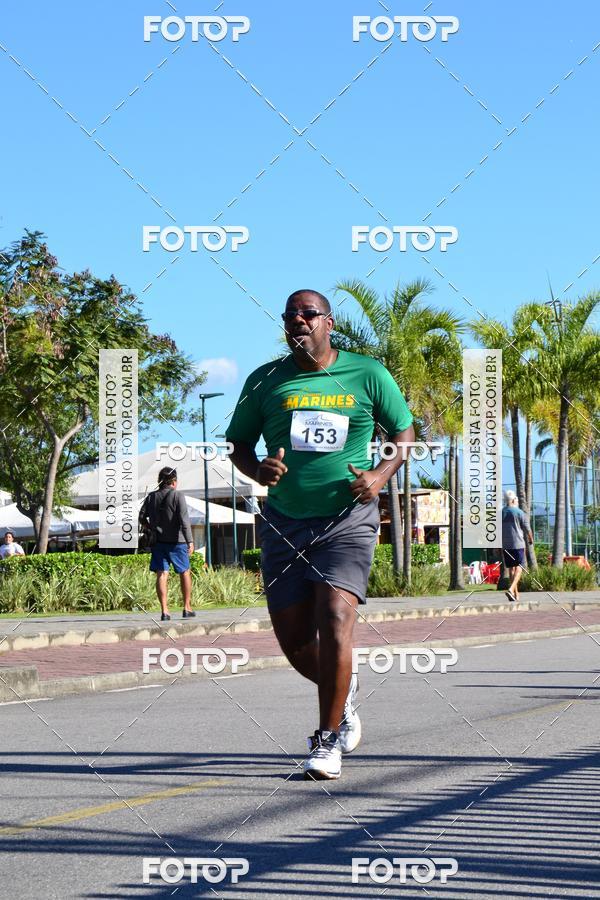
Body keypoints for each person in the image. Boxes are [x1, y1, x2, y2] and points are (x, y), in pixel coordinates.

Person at [226, 289, 414, 780]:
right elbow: (239, 444)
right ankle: (343, 689)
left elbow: (403, 433)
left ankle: (326, 739)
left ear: (329, 323)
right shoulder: (265, 379)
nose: (298, 321)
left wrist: (379, 475)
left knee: (334, 618)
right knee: (293, 642)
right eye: (290, 315)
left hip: (346, 520)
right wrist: (256, 469)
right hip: (284, 521)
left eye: (308, 314)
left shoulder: (367, 373)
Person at [138, 467, 196, 621]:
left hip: (158, 542)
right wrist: (190, 541)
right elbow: (184, 521)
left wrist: (150, 528)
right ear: (174, 482)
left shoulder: (151, 497)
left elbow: (141, 517)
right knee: (185, 572)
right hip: (178, 542)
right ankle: (186, 607)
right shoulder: (178, 496)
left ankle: (165, 611)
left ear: (160, 481)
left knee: (162, 574)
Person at [502, 490, 533, 602]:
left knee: (511, 569)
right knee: (519, 568)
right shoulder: (519, 512)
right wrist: (531, 539)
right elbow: (527, 528)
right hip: (518, 543)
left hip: (506, 545)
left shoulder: (501, 513)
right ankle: (511, 589)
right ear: (514, 500)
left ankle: (515, 595)